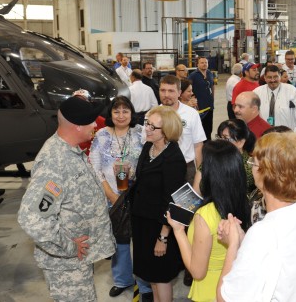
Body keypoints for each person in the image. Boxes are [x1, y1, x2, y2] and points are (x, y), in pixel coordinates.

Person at [18, 96, 115, 301]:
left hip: (78, 261)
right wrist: (69, 246)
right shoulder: (55, 162)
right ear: (78, 126)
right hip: (66, 266)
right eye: (91, 121)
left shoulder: (70, 150)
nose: (95, 125)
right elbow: (33, 220)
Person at [216, 132, 296, 302]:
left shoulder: (264, 233)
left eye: (253, 162)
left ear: (265, 173)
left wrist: (232, 244)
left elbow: (224, 298)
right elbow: (279, 259)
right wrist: (244, 240)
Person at [166, 140, 251, 302]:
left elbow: (197, 272)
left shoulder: (205, 215)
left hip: (210, 292)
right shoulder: (243, 201)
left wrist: (178, 231)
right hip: (234, 287)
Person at [89, 96, 145, 298]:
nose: (121, 115)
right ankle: (122, 279)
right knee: (119, 240)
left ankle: (145, 283)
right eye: (116, 111)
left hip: (139, 195)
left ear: (132, 113)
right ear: (110, 114)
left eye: (125, 111)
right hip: (111, 196)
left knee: (142, 239)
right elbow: (94, 168)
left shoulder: (141, 133)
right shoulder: (102, 135)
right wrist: (111, 195)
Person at [131, 105, 186, 302]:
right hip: (143, 223)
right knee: (151, 275)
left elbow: (172, 202)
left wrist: (163, 238)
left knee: (161, 277)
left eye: (153, 127)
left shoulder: (174, 159)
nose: (147, 129)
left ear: (167, 132)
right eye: (147, 123)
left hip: (160, 227)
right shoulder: (149, 147)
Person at [157, 75, 205, 185]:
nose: (166, 95)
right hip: (160, 167)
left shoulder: (191, 114)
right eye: (163, 90)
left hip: (187, 169)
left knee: (188, 202)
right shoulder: (152, 115)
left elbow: (198, 145)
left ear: (179, 93)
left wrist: (200, 174)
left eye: (171, 91)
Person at [254, 64, 296, 134]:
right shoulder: (257, 92)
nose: (273, 80)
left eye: (275, 77)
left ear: (280, 76)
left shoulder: (291, 90)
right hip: (263, 134)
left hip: (286, 134)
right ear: (264, 77)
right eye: (269, 77)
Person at [216, 119, 257, 193]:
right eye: (219, 137)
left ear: (241, 142)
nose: (220, 142)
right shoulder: (214, 159)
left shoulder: (249, 166)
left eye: (226, 138)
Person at [189, 57, 215, 141]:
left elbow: (212, 86)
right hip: (199, 107)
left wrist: (212, 99)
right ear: (198, 64)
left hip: (209, 106)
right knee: (201, 128)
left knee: (209, 127)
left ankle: (209, 143)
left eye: (206, 62)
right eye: (202, 62)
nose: (204, 64)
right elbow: (188, 89)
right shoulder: (193, 75)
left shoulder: (210, 73)